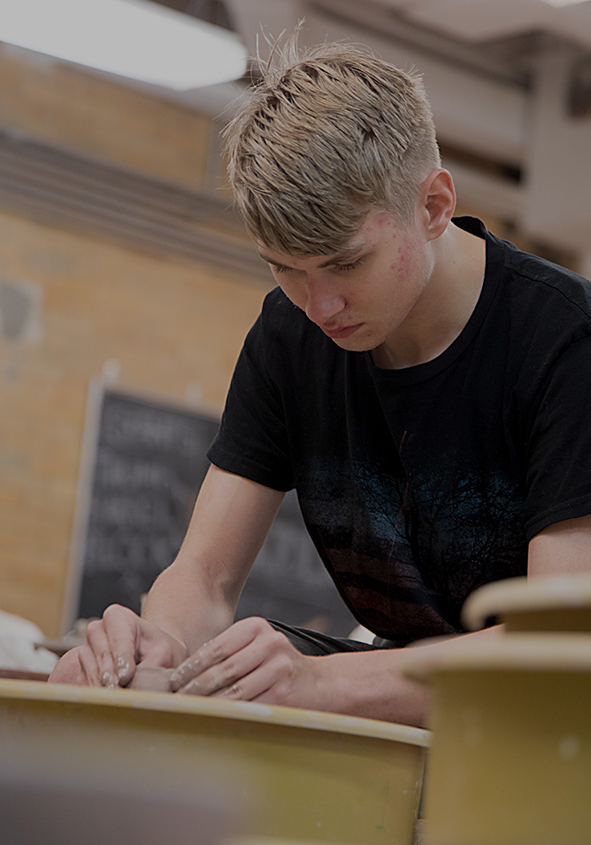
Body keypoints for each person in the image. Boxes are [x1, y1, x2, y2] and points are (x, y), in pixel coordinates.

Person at [50, 40, 591, 727]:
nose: (320, 306)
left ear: (433, 205)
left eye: (346, 264)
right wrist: (160, 648)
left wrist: (323, 684)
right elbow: (205, 578)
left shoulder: (564, 338)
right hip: (411, 685)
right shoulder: (290, 333)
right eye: (286, 268)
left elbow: (562, 653)